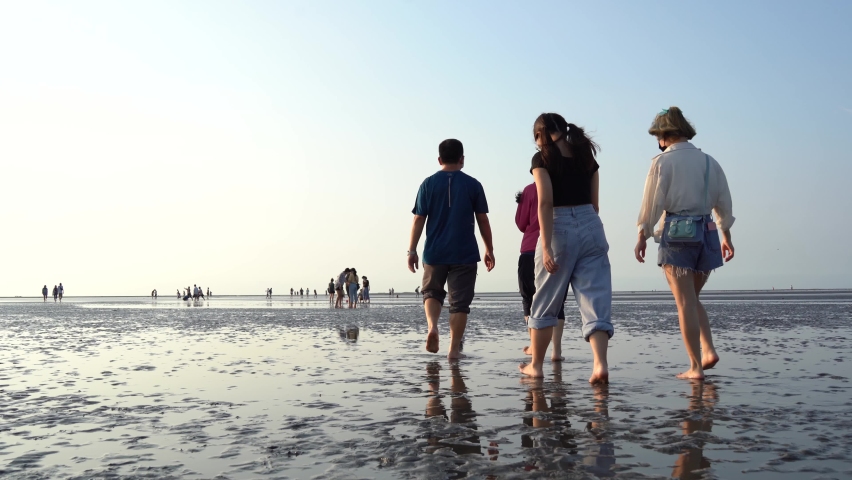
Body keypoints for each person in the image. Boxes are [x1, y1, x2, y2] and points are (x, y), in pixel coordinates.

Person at [634, 107, 734, 380]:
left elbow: (651, 204)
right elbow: (723, 203)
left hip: (677, 233)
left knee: (685, 303)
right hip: (708, 234)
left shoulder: (661, 162)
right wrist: (726, 236)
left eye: (658, 137)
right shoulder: (710, 162)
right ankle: (708, 350)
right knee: (692, 298)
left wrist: (642, 234)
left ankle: (695, 366)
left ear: (664, 135)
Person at [520, 113, 613, 383]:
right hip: (591, 225)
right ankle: (600, 364)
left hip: (558, 226)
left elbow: (545, 203)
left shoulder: (542, 159)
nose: (536, 142)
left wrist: (547, 246)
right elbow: (595, 204)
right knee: (595, 299)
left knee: (545, 300)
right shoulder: (585, 155)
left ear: (542, 134)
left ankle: (536, 365)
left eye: (536, 136)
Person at [408, 138, 495, 359]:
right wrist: (489, 249)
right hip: (464, 253)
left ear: (439, 159)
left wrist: (412, 250)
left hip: (434, 252)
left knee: (432, 292)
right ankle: (454, 349)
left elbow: (418, 219)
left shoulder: (427, 184)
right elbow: (482, 219)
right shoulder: (473, 184)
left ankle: (432, 327)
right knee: (459, 304)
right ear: (462, 159)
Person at [515, 183, 568, 359]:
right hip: (557, 247)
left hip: (530, 248)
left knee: (529, 298)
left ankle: (534, 347)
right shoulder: (561, 185)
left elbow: (521, 223)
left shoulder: (530, 190)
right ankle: (556, 351)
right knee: (557, 300)